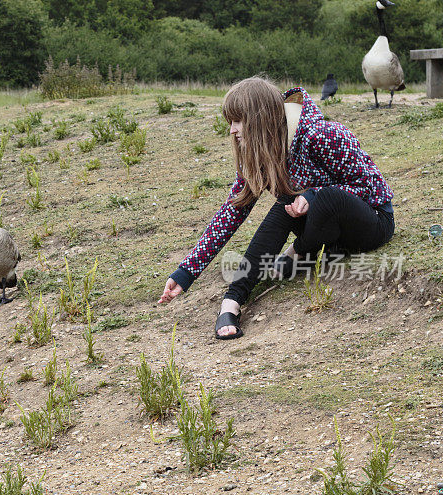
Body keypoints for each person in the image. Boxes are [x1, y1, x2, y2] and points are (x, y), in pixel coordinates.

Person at [158, 76, 395, 339]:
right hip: (328, 235)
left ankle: (297, 254)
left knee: (325, 196)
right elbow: (230, 213)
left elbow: (371, 187)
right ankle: (232, 301)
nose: (232, 131)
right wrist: (187, 271)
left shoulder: (323, 134)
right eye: (230, 122)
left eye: (238, 121)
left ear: (260, 119)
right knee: (286, 204)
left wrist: (314, 196)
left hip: (372, 223)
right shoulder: (262, 154)